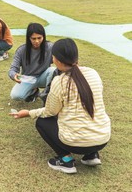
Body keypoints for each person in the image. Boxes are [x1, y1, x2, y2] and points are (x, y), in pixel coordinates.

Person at [10, 38, 111, 174]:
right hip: (103, 139)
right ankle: (92, 155)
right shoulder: (93, 73)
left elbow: (50, 112)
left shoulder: (60, 81)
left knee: (42, 122)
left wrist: (28, 113)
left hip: (75, 143)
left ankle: (66, 160)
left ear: (56, 59)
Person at [8, 23, 55, 102]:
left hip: (44, 77)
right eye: (33, 38)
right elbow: (12, 69)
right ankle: (34, 91)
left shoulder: (50, 47)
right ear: (29, 38)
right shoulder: (21, 50)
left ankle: (47, 94)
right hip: (28, 79)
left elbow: (63, 60)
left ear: (43, 36)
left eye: (39, 38)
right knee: (15, 96)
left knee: (52, 70)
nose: (37, 41)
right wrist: (14, 75)